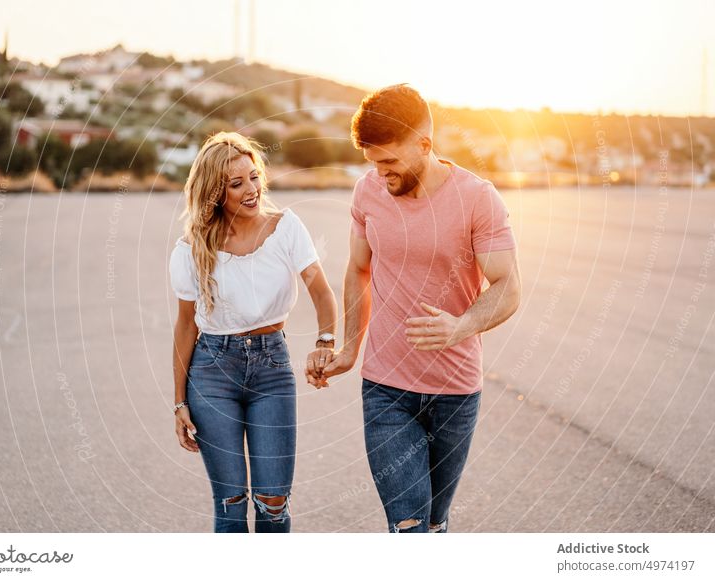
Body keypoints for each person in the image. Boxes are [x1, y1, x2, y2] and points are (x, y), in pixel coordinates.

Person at [317, 85, 521, 533]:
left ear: (424, 145)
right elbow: (357, 270)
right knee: (408, 526)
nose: (380, 174)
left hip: (456, 391)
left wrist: (461, 326)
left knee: (433, 525)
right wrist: (349, 350)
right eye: (372, 162)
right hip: (386, 387)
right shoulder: (368, 192)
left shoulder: (477, 197)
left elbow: (508, 286)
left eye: (389, 162)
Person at [169, 132, 338, 533]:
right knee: (229, 504)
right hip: (211, 372)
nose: (252, 190)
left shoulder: (286, 228)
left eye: (254, 177)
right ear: (214, 192)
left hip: (272, 368)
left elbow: (321, 289)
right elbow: (185, 325)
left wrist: (326, 342)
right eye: (236, 183)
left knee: (273, 501)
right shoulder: (191, 248)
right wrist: (179, 403)